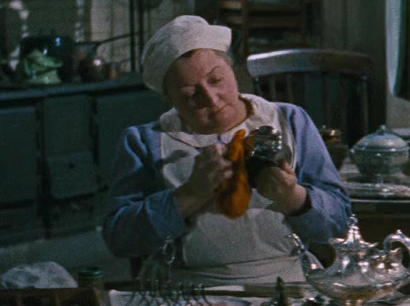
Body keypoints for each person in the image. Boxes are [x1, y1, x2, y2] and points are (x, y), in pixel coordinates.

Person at [102, 15, 351, 285]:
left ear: (231, 67)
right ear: (169, 98)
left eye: (216, 79)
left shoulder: (289, 120)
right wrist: (188, 196)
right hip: (191, 291)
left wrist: (294, 197)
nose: (210, 99)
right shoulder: (144, 141)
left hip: (287, 283)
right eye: (189, 94)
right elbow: (120, 239)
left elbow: (339, 221)